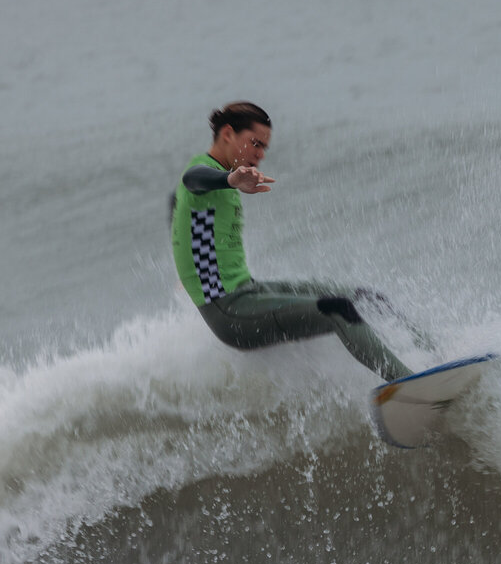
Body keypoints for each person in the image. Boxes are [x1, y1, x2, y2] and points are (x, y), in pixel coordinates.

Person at [170, 102, 414, 382]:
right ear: (227, 134)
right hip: (229, 313)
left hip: (251, 291)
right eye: (255, 144)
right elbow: (193, 180)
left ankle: (438, 361)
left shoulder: (219, 182)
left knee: (367, 299)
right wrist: (230, 178)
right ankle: (408, 382)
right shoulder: (206, 171)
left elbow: (180, 209)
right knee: (338, 310)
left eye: (264, 148)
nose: (260, 155)